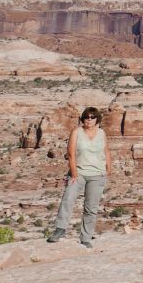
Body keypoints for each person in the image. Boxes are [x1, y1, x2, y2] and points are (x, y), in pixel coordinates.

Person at [47, 106, 112, 247]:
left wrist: (108, 168)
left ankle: (86, 237)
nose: (89, 119)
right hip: (79, 173)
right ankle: (60, 229)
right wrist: (74, 173)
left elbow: (106, 150)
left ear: (97, 119)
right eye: (86, 117)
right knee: (68, 198)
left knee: (91, 207)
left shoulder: (102, 133)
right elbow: (70, 154)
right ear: (82, 118)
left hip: (97, 174)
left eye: (92, 117)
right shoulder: (76, 132)